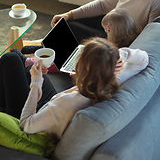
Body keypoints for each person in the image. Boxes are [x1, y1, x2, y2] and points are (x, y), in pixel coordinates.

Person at [0, 37, 148, 143]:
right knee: (27, 70)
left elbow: (26, 125)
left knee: (10, 59)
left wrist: (36, 83)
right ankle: (22, 68)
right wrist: (121, 55)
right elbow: (144, 59)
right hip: (53, 104)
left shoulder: (66, 104)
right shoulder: (113, 79)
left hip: (37, 116)